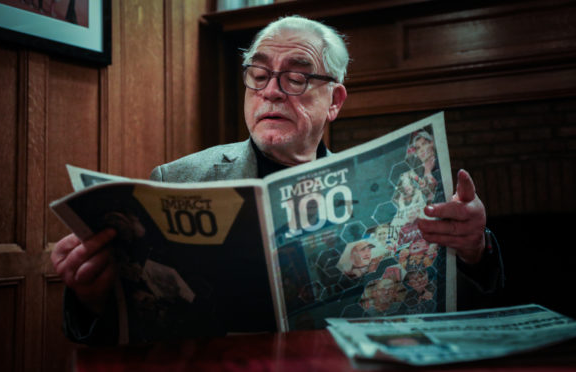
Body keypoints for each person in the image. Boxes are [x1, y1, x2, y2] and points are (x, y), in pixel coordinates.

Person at [51, 15, 502, 345]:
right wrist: (91, 296)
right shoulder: (177, 179)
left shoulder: (389, 188)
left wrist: (474, 249)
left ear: (335, 101)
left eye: (298, 77)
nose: (270, 90)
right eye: (260, 74)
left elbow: (461, 314)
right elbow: (132, 324)